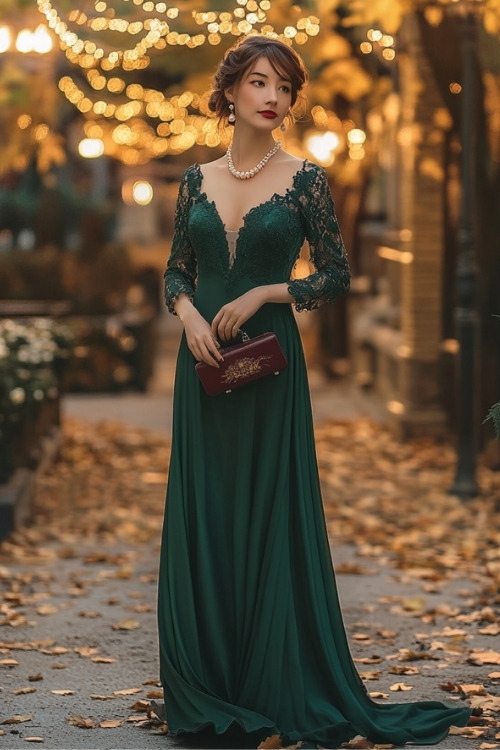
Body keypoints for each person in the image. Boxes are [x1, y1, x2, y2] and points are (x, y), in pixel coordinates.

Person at [158, 34, 471, 747]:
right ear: (231, 91)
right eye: (261, 83)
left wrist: (269, 289)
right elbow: (177, 271)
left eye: (285, 89)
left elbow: (336, 276)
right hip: (201, 367)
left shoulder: (306, 180)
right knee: (206, 510)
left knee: (268, 509)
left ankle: (274, 676)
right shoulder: (194, 180)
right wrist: (187, 314)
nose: (274, 97)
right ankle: (209, 679)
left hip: (270, 369)